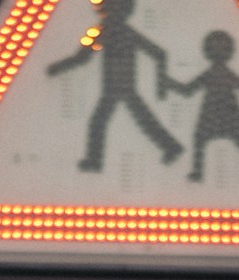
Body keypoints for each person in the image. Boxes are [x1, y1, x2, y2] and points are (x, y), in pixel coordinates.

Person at [47, 0, 184, 173]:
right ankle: (171, 147)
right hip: (117, 87)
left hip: (120, 87)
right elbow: (83, 57)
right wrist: (58, 68)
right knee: (134, 120)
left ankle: (95, 161)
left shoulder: (111, 32)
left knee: (105, 121)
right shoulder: (111, 32)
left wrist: (161, 84)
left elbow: (159, 53)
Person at [166, 31, 239, 182]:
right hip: (216, 112)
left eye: (221, 47)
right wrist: (170, 83)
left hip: (223, 112)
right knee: (204, 139)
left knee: (226, 142)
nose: (217, 50)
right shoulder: (214, 73)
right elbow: (188, 90)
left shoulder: (221, 73)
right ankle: (198, 172)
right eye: (214, 47)